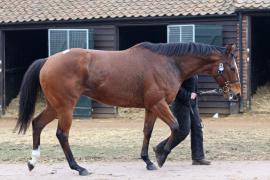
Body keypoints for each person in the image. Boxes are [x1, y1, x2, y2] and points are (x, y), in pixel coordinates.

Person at [171, 75, 211, 165]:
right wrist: (188, 95)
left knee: (197, 128)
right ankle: (161, 149)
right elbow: (175, 86)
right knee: (183, 132)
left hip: (192, 103)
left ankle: (198, 158)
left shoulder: (194, 70)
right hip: (181, 104)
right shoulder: (184, 69)